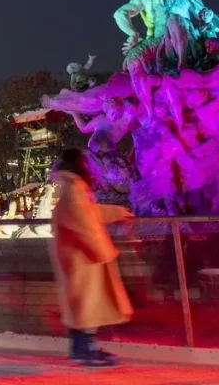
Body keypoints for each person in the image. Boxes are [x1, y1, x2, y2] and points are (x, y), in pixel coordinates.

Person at [48, 149, 134, 366]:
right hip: (83, 256)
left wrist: (117, 212)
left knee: (82, 304)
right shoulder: (74, 188)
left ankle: (81, 347)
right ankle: (85, 349)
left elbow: (89, 213)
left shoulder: (71, 187)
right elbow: (82, 220)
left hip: (78, 255)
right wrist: (102, 250)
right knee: (87, 305)